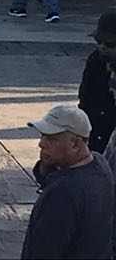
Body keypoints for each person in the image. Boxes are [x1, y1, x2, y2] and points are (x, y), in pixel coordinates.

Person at [21, 105, 114, 260]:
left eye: (52, 138)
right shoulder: (100, 164)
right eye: (42, 135)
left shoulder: (62, 193)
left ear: (75, 144)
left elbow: (44, 250)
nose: (41, 143)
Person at [78, 9, 116, 153]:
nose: (102, 47)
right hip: (95, 139)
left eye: (110, 44)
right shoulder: (96, 61)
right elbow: (85, 98)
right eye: (98, 42)